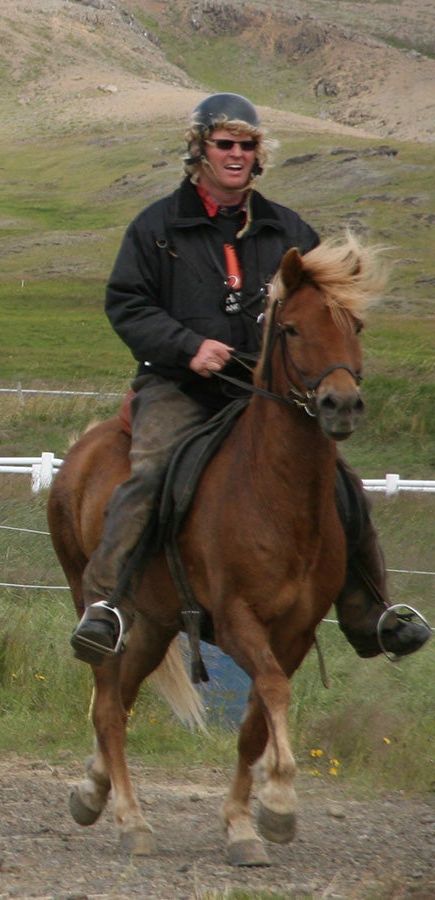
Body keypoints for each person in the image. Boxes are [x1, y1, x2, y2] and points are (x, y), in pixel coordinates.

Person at [68, 93, 428, 663]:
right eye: (225, 144)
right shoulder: (156, 226)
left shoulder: (288, 230)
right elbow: (127, 303)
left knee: (343, 485)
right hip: (181, 386)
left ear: (259, 155)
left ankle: (370, 611)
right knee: (152, 472)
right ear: (200, 150)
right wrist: (189, 347)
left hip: (268, 393)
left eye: (247, 145)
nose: (236, 154)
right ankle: (106, 605)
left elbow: (326, 309)